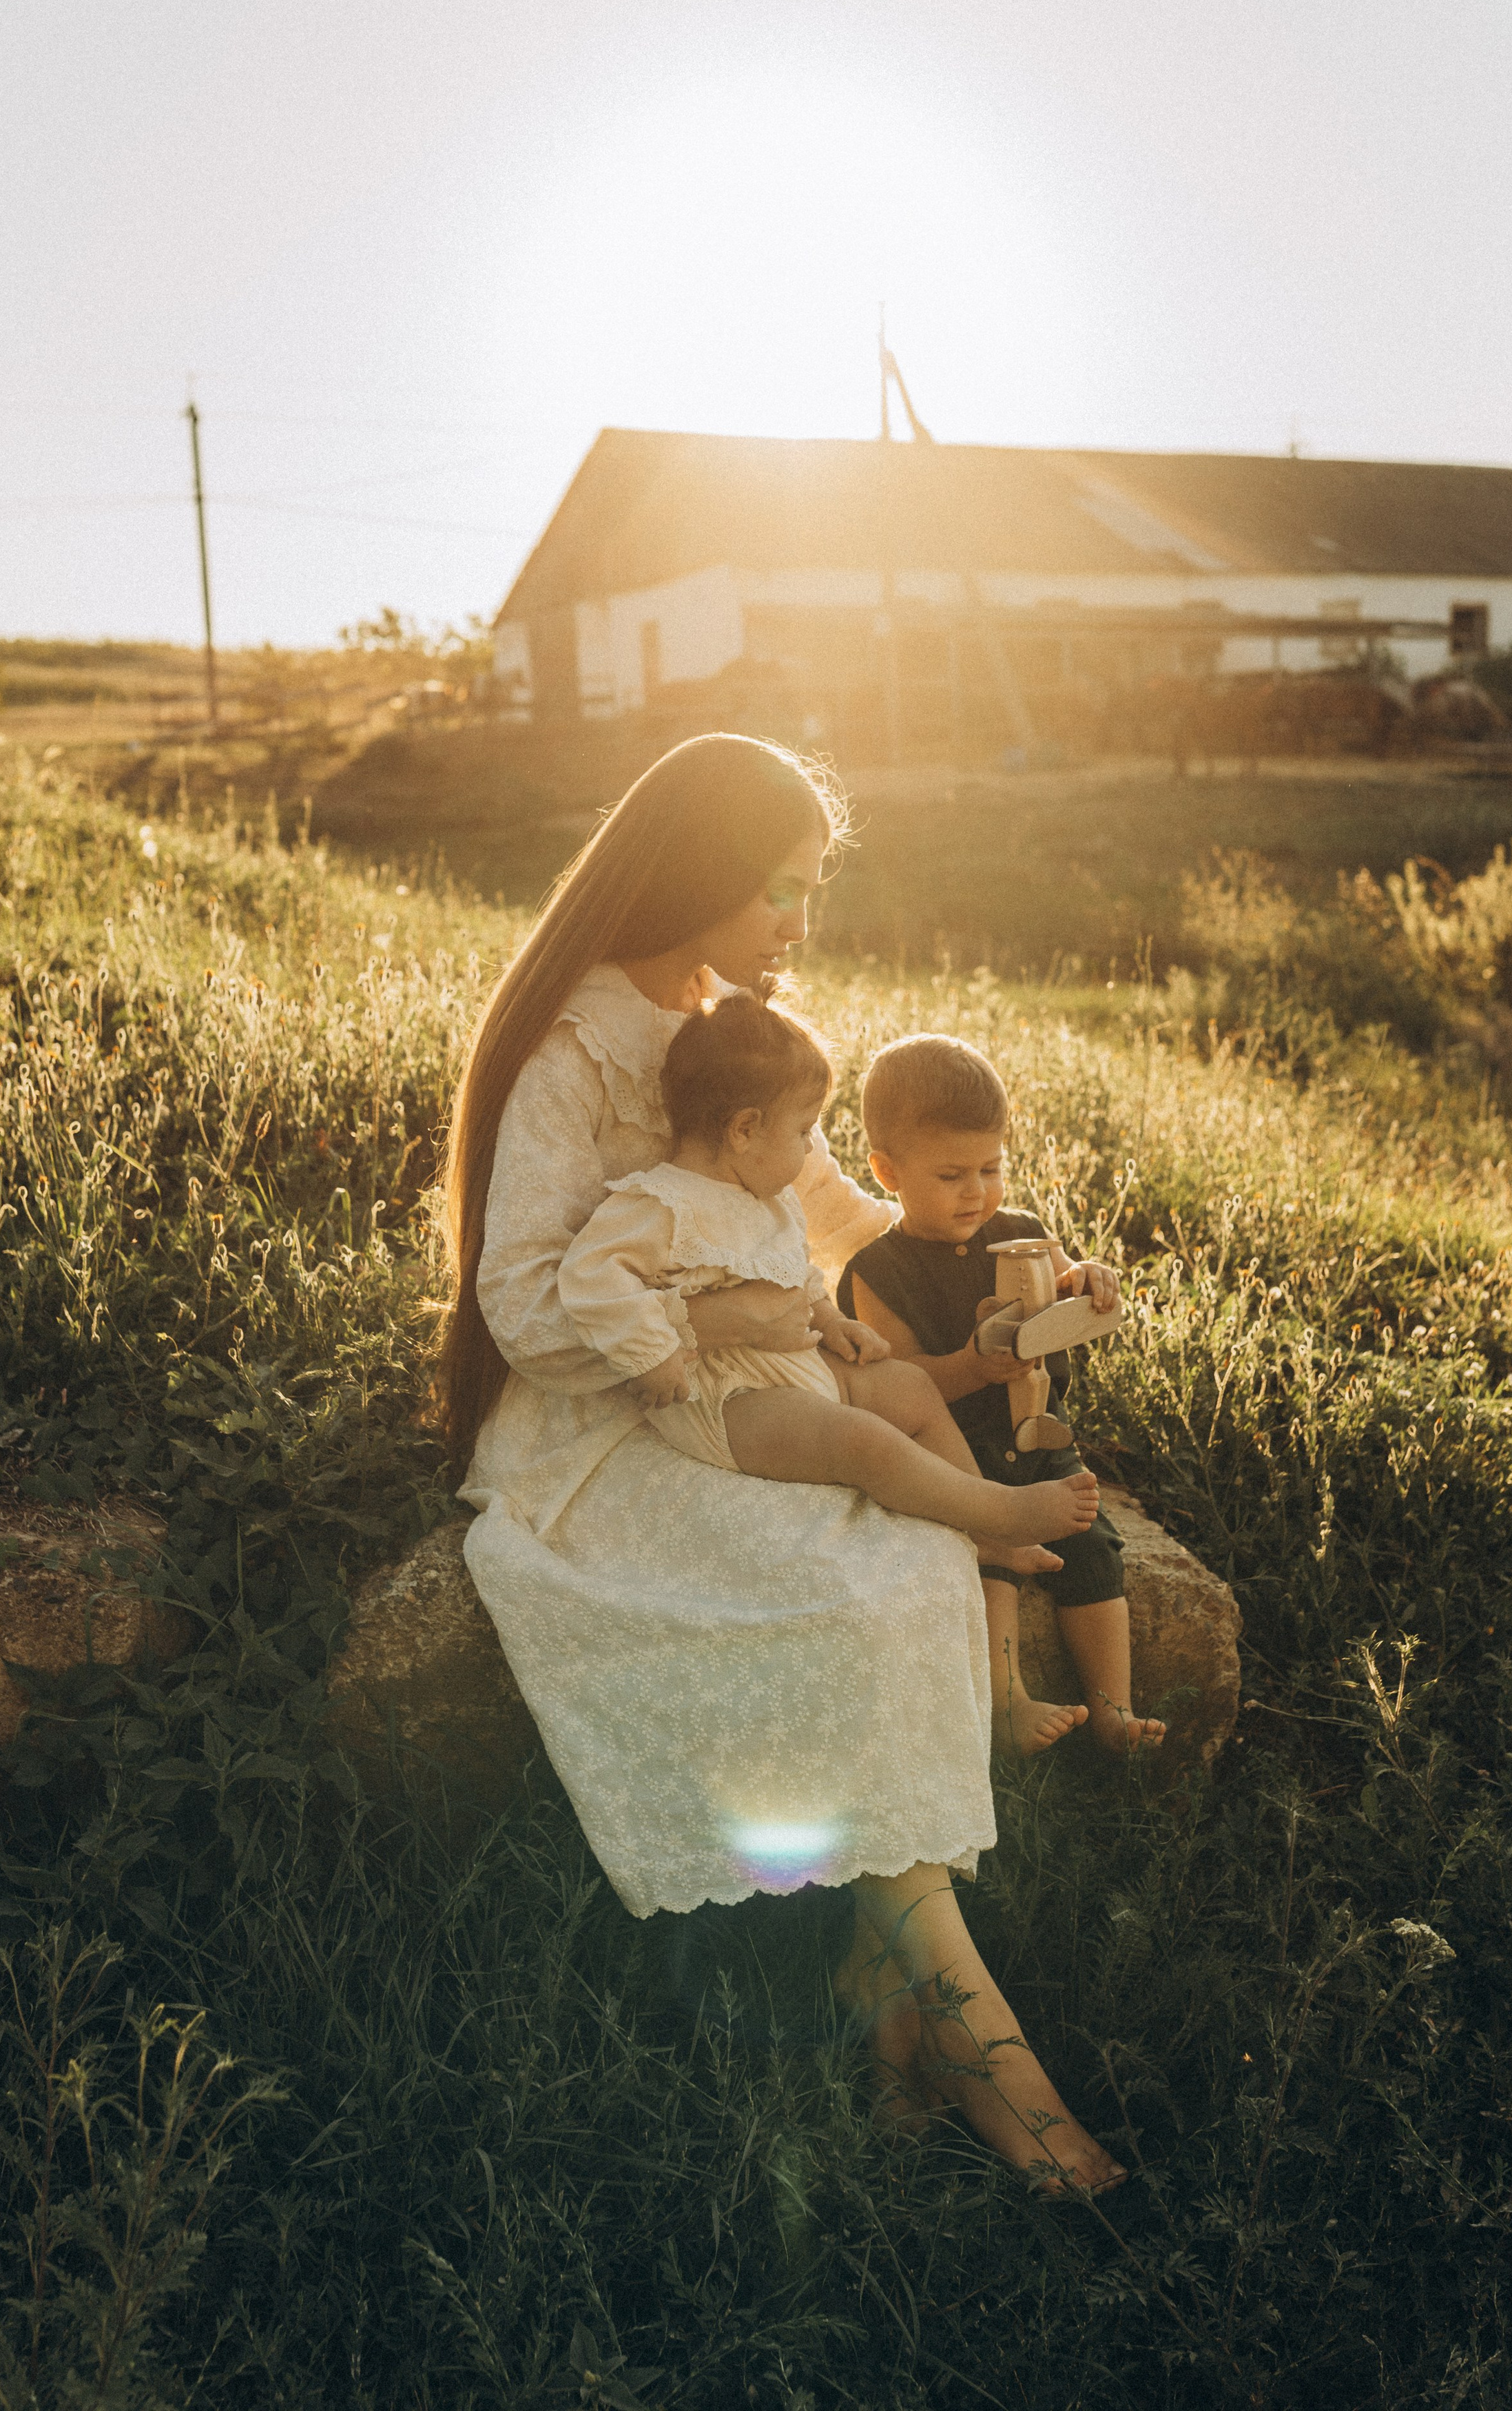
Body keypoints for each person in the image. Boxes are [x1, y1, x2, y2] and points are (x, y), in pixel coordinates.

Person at [444, 733, 1125, 2193]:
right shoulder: (574, 1043)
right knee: (837, 1592)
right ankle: (975, 2039)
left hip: (754, 1390)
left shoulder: (726, 1020)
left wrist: (1015, 1271)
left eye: (811, 892)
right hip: (614, 1424)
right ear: (693, 869)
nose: (797, 927)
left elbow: (831, 1211)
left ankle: (892, 2001)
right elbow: (522, 1295)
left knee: (909, 1559)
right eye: (778, 890)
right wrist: (707, 1323)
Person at [555, 987, 1098, 1559]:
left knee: (908, 1386)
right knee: (859, 1440)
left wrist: (833, 1321)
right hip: (727, 1399)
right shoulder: (660, 1204)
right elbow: (591, 1277)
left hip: (793, 1367)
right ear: (744, 1130)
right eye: (803, 1131)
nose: (810, 1147)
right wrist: (653, 1350)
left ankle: (982, 1525)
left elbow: (795, 1275)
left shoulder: (767, 1198)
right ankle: (999, 1513)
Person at [839, 1032, 1168, 1760]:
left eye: (991, 1168)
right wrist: (969, 1364)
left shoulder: (1021, 1235)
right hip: (953, 1458)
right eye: (952, 1174)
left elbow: (1067, 1296)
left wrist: (1087, 1279)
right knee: (989, 1554)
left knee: (1091, 1544)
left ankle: (1112, 1709)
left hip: (1040, 1438)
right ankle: (1007, 1701)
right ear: (887, 1170)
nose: (976, 1191)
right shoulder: (877, 1271)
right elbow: (900, 1385)